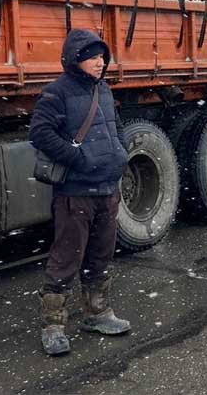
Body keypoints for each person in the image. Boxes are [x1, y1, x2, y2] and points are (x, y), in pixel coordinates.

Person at [29, 28, 130, 356]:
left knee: (100, 255)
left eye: (102, 57)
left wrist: (120, 153)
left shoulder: (103, 89)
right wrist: (78, 158)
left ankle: (97, 313)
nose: (100, 63)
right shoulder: (56, 93)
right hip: (75, 192)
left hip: (107, 188)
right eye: (93, 57)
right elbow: (40, 134)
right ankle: (53, 325)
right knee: (65, 259)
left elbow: (114, 126)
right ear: (75, 59)